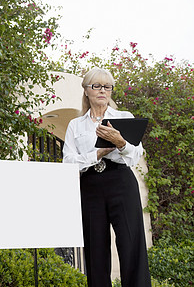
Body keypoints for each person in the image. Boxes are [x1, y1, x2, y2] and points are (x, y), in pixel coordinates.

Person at [63, 67, 151, 287]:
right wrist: (97, 153)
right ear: (86, 90)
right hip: (90, 185)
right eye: (96, 86)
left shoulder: (123, 118)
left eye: (107, 86)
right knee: (95, 250)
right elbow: (68, 162)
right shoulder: (76, 125)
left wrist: (120, 142)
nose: (102, 90)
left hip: (121, 181)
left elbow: (134, 156)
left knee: (132, 244)